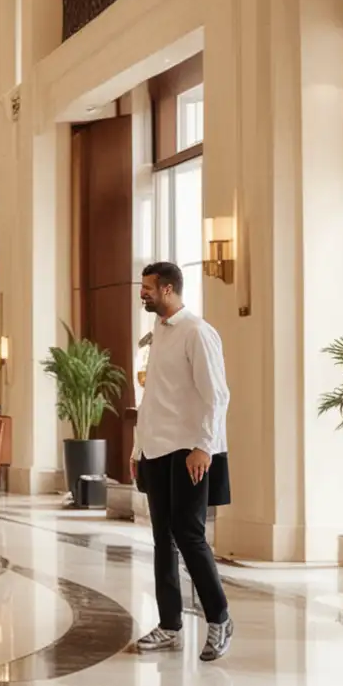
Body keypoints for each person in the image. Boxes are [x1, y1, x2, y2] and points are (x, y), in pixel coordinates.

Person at [134, 261, 234, 662]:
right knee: (163, 540)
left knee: (189, 537)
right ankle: (170, 625)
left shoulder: (198, 332)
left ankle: (220, 619)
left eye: (148, 289)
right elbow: (155, 396)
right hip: (156, 449)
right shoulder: (159, 331)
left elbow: (218, 395)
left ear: (169, 290)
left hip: (189, 450)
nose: (143, 294)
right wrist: (137, 449)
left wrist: (204, 446)